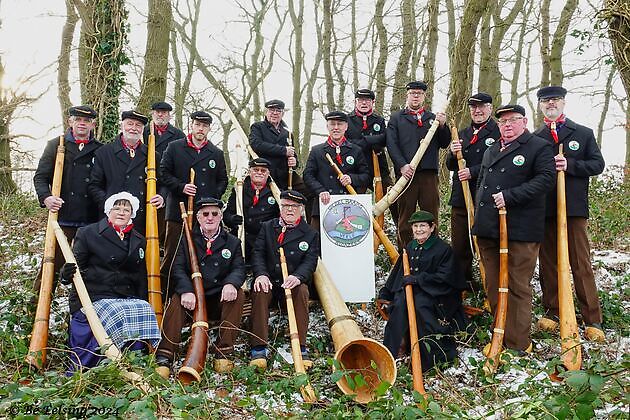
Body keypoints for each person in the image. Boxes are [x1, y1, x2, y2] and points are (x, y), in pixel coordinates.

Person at [473, 104, 555, 354]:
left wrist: (510, 196)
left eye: (512, 120)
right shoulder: (492, 149)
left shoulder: (538, 147)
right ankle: (500, 335)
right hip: (489, 228)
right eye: (502, 121)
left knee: (518, 286)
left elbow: (546, 179)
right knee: (494, 285)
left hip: (519, 230)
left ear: (524, 122)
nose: (507, 125)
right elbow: (482, 184)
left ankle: (519, 343)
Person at [534, 86, 606, 342]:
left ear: (563, 102)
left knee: (580, 262)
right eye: (545, 101)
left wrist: (571, 165)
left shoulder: (583, 134)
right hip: (546, 210)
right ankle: (553, 311)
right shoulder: (535, 138)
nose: (550, 104)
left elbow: (598, 164)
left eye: (554, 100)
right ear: (540, 106)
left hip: (574, 209)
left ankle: (592, 318)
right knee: (549, 262)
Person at [59, 192, 160, 371]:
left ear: (132, 213)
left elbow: (139, 276)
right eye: (117, 208)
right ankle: (105, 363)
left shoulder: (139, 240)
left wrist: (143, 299)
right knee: (117, 312)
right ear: (108, 211)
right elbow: (74, 268)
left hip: (124, 296)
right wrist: (66, 274)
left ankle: (134, 360)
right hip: (95, 295)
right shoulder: (88, 233)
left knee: (143, 308)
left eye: (126, 209)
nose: (121, 212)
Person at [155, 197, 245, 374]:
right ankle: (165, 354)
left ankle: (224, 351)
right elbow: (178, 269)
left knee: (239, 294)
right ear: (198, 217)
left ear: (220, 217)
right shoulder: (186, 240)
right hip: (193, 299)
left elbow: (238, 269)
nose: (209, 218)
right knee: (176, 299)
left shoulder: (233, 242)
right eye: (205, 214)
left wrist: (231, 284)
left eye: (214, 214)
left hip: (219, 298)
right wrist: (186, 290)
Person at [378, 210, 467, 371]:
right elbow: (399, 272)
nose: (419, 230)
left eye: (423, 226)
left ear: (432, 228)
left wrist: (420, 279)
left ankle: (429, 359)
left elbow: (446, 277)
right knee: (399, 303)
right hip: (411, 290)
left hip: (436, 294)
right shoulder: (410, 247)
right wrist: (387, 292)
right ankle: (393, 351)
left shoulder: (443, 249)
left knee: (421, 307)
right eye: (416, 226)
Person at [33, 105, 103, 288]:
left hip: (90, 220)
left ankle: (80, 314)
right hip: (62, 218)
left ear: (93, 124)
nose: (82, 124)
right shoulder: (55, 144)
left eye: (86, 121)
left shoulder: (101, 149)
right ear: (70, 122)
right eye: (78, 119)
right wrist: (46, 197)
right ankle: (36, 312)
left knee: (87, 271)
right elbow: (41, 177)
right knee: (50, 267)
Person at [249, 190, 319, 370]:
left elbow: (310, 261)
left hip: (293, 282)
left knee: (303, 290)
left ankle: (300, 346)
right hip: (271, 280)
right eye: (286, 206)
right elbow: (258, 253)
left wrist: (298, 277)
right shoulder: (267, 227)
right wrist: (261, 274)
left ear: (301, 209)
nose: (289, 210)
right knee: (259, 289)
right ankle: (259, 347)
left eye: (294, 206)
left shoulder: (310, 233)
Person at [160, 111, 228, 295]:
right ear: (192, 126)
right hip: (178, 211)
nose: (201, 129)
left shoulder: (216, 153)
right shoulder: (174, 147)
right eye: (198, 125)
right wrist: (181, 187)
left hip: (204, 215)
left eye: (204, 126)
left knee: (198, 255)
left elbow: (223, 180)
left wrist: (212, 199)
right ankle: (165, 295)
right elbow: (164, 174)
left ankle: (197, 294)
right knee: (172, 254)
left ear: (209, 129)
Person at [386, 81, 451, 247]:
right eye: (412, 93)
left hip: (428, 174)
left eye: (419, 94)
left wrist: (443, 126)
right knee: (405, 216)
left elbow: (444, 143)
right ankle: (405, 255)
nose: (416, 96)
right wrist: (402, 165)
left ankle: (431, 252)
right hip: (406, 175)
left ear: (424, 96)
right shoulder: (396, 118)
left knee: (431, 214)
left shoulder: (433, 118)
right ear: (407, 96)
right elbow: (392, 145)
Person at [446, 93, 500, 289]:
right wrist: (453, 153)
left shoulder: (499, 132)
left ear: (490, 109)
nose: (477, 111)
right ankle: (463, 283)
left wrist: (473, 171)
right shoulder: (462, 133)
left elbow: (497, 162)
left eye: (482, 107)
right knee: (460, 243)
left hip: (485, 198)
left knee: (486, 244)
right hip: (461, 197)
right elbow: (450, 165)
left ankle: (490, 285)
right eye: (473, 108)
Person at [89, 110, 166, 235]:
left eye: (138, 125)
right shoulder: (104, 152)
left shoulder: (152, 155)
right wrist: (111, 206)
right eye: (130, 124)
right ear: (122, 125)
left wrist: (161, 197)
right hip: (110, 220)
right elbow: (94, 185)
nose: (134, 128)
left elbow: (163, 183)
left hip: (142, 220)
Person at [303, 111, 370, 228]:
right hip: (322, 206)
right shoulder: (317, 151)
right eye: (332, 124)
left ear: (346, 127)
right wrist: (320, 191)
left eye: (339, 124)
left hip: (349, 208)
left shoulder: (356, 150)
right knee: (317, 243)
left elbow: (366, 176)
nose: (336, 128)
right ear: (327, 126)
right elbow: (308, 176)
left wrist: (352, 179)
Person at [142, 101, 186, 242]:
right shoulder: (143, 131)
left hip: (168, 181)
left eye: (164, 112)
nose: (160, 115)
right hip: (146, 178)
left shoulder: (178, 135)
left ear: (169, 115)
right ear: (152, 113)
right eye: (157, 112)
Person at [224, 158, 279, 264]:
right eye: (256, 170)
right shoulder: (239, 189)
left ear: (268, 173)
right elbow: (226, 215)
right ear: (250, 172)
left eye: (263, 170)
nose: (259, 173)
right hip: (242, 239)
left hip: (264, 241)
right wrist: (232, 219)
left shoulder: (275, 192)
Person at [345, 88, 393, 194]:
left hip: (379, 167)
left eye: (367, 100)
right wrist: (370, 142)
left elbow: (385, 138)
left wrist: (365, 140)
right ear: (355, 102)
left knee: (392, 196)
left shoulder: (379, 120)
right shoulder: (347, 120)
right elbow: (346, 142)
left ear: (373, 102)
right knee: (356, 201)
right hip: (355, 169)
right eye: (360, 100)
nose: (364, 103)